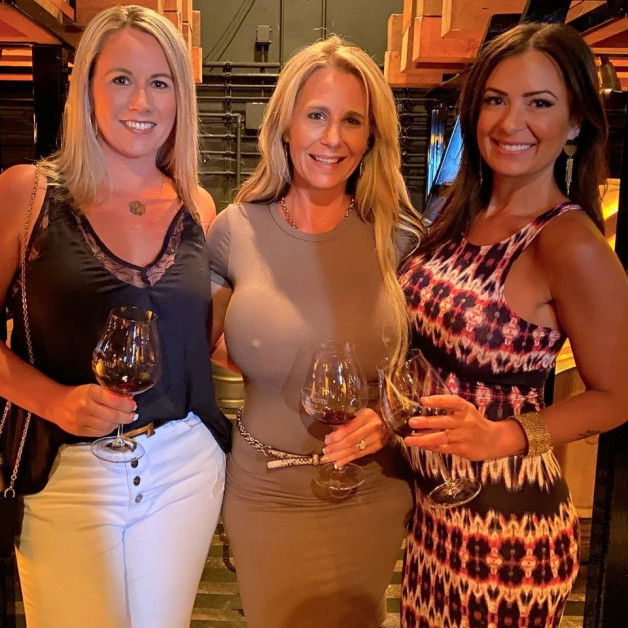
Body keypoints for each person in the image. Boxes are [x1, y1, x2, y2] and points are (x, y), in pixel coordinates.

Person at [0, 6, 230, 627]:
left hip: (183, 466)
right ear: (87, 87)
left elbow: (204, 339)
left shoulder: (197, 204)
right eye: (121, 79)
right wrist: (53, 400)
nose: (142, 101)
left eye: (160, 82)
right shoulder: (26, 194)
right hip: (68, 470)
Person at [398, 22, 628, 628]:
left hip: (506, 533)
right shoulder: (458, 209)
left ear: (575, 123)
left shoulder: (569, 242)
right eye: (496, 100)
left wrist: (504, 436)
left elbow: (617, 396)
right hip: (434, 515)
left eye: (540, 103)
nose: (510, 122)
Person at [207, 35, 423, 627]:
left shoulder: (398, 237)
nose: (333, 138)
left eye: (353, 120)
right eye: (317, 116)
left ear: (372, 136)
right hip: (265, 488)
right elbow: (187, 342)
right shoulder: (233, 230)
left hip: (369, 489)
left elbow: (428, 367)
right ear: (284, 126)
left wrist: (390, 415)